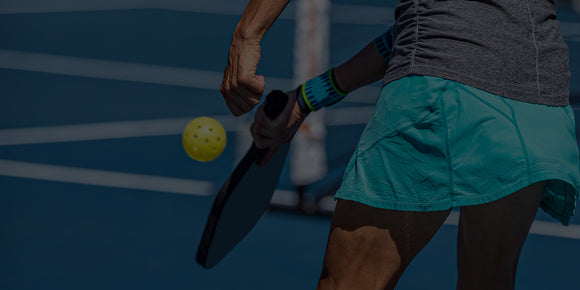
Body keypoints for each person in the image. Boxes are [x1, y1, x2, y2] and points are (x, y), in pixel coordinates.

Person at [220, 0, 580, 289]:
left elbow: (444, 31)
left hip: (439, 96)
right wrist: (305, 100)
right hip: (539, 110)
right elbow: (428, 27)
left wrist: (246, 33)